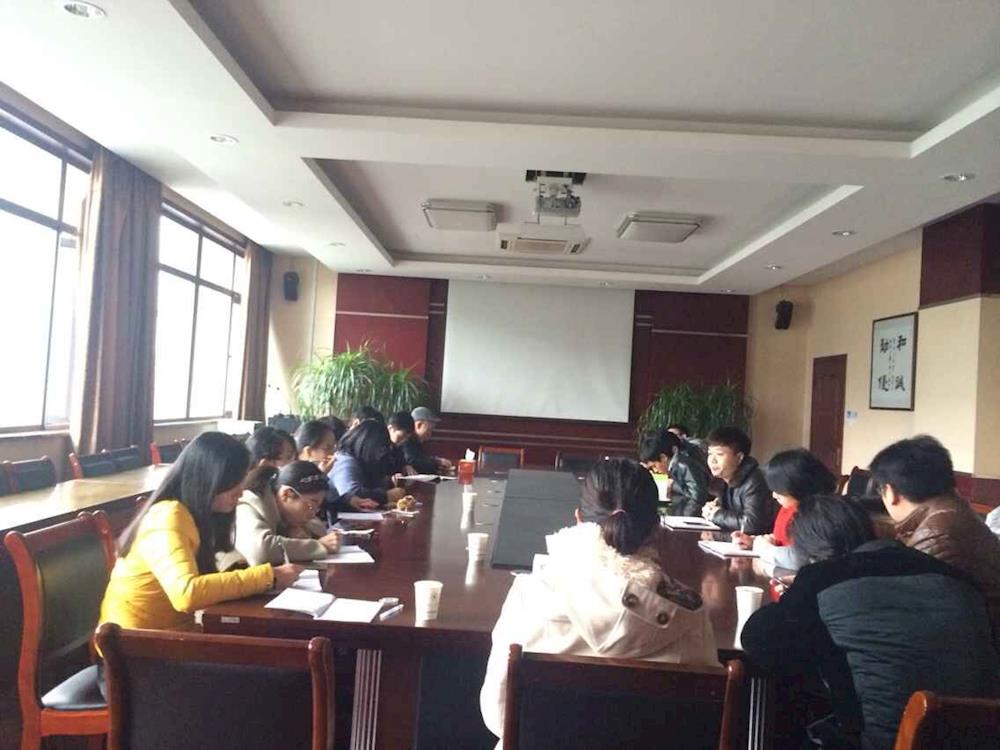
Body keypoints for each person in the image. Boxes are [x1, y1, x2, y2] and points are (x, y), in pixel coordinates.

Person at [480, 458, 718, 745]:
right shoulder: (690, 614)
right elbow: (704, 724)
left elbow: (499, 715)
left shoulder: (530, 594)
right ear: (656, 527)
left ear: (578, 518)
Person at [741, 495, 999, 750]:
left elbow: (757, 641)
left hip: (887, 742)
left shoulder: (822, 577)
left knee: (791, 703)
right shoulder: (951, 575)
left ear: (808, 551)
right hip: (980, 738)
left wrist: (799, 597)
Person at [99, 432, 302, 632]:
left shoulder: (198, 513)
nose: (241, 492)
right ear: (212, 479)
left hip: (173, 634)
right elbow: (186, 594)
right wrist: (269, 576)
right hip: (133, 643)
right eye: (236, 482)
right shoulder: (169, 515)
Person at [871, 435, 1000, 648]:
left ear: (891, 492)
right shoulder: (955, 511)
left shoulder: (935, 535)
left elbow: (904, 608)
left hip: (976, 650)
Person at [731, 448, 836, 571]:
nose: (774, 495)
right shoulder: (788, 507)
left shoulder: (816, 514)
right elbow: (781, 538)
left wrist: (763, 548)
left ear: (796, 484)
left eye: (778, 489)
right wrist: (753, 541)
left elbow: (798, 559)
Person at [234, 460, 342, 566]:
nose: (313, 514)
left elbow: (318, 527)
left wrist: (299, 532)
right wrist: (318, 546)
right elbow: (260, 551)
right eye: (311, 505)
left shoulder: (287, 514)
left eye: (317, 507)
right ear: (286, 494)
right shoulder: (247, 506)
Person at [701, 427, 775, 534]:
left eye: (719, 454)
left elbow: (752, 524)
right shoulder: (722, 478)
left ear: (739, 457)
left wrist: (716, 515)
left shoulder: (754, 482)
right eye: (710, 454)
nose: (712, 460)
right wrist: (712, 509)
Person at [331, 419, 406, 511]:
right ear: (368, 445)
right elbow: (352, 493)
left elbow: (367, 484)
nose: (380, 455)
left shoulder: (359, 461)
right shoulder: (345, 461)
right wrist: (386, 496)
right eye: (379, 449)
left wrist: (388, 481)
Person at [638, 430, 709, 516]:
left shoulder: (685, 465)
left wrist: (674, 485)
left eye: (654, 466)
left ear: (663, 457)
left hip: (688, 517)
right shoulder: (676, 465)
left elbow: (697, 496)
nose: (655, 471)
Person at [403, 406, 453, 475]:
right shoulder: (406, 439)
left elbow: (421, 458)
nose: (430, 434)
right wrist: (437, 462)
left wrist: (437, 462)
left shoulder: (416, 441)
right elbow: (413, 461)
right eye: (429, 430)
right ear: (419, 425)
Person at [387, 411, 416, 476]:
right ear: (390, 429)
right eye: (402, 436)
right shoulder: (378, 447)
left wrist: (406, 466)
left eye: (407, 438)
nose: (404, 440)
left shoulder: (398, 448)